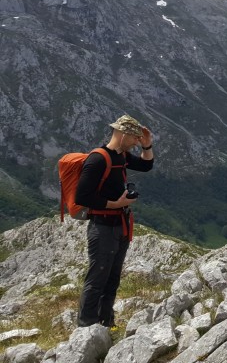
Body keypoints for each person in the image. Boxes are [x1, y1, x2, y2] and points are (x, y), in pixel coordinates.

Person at [75, 114, 155, 328]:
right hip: (102, 226)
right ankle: (86, 325)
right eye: (135, 138)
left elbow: (146, 166)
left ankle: (106, 321)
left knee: (112, 276)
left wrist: (147, 147)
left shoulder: (122, 156)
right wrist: (116, 204)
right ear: (122, 134)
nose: (136, 142)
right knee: (98, 275)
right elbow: (82, 197)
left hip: (119, 225)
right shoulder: (98, 159)